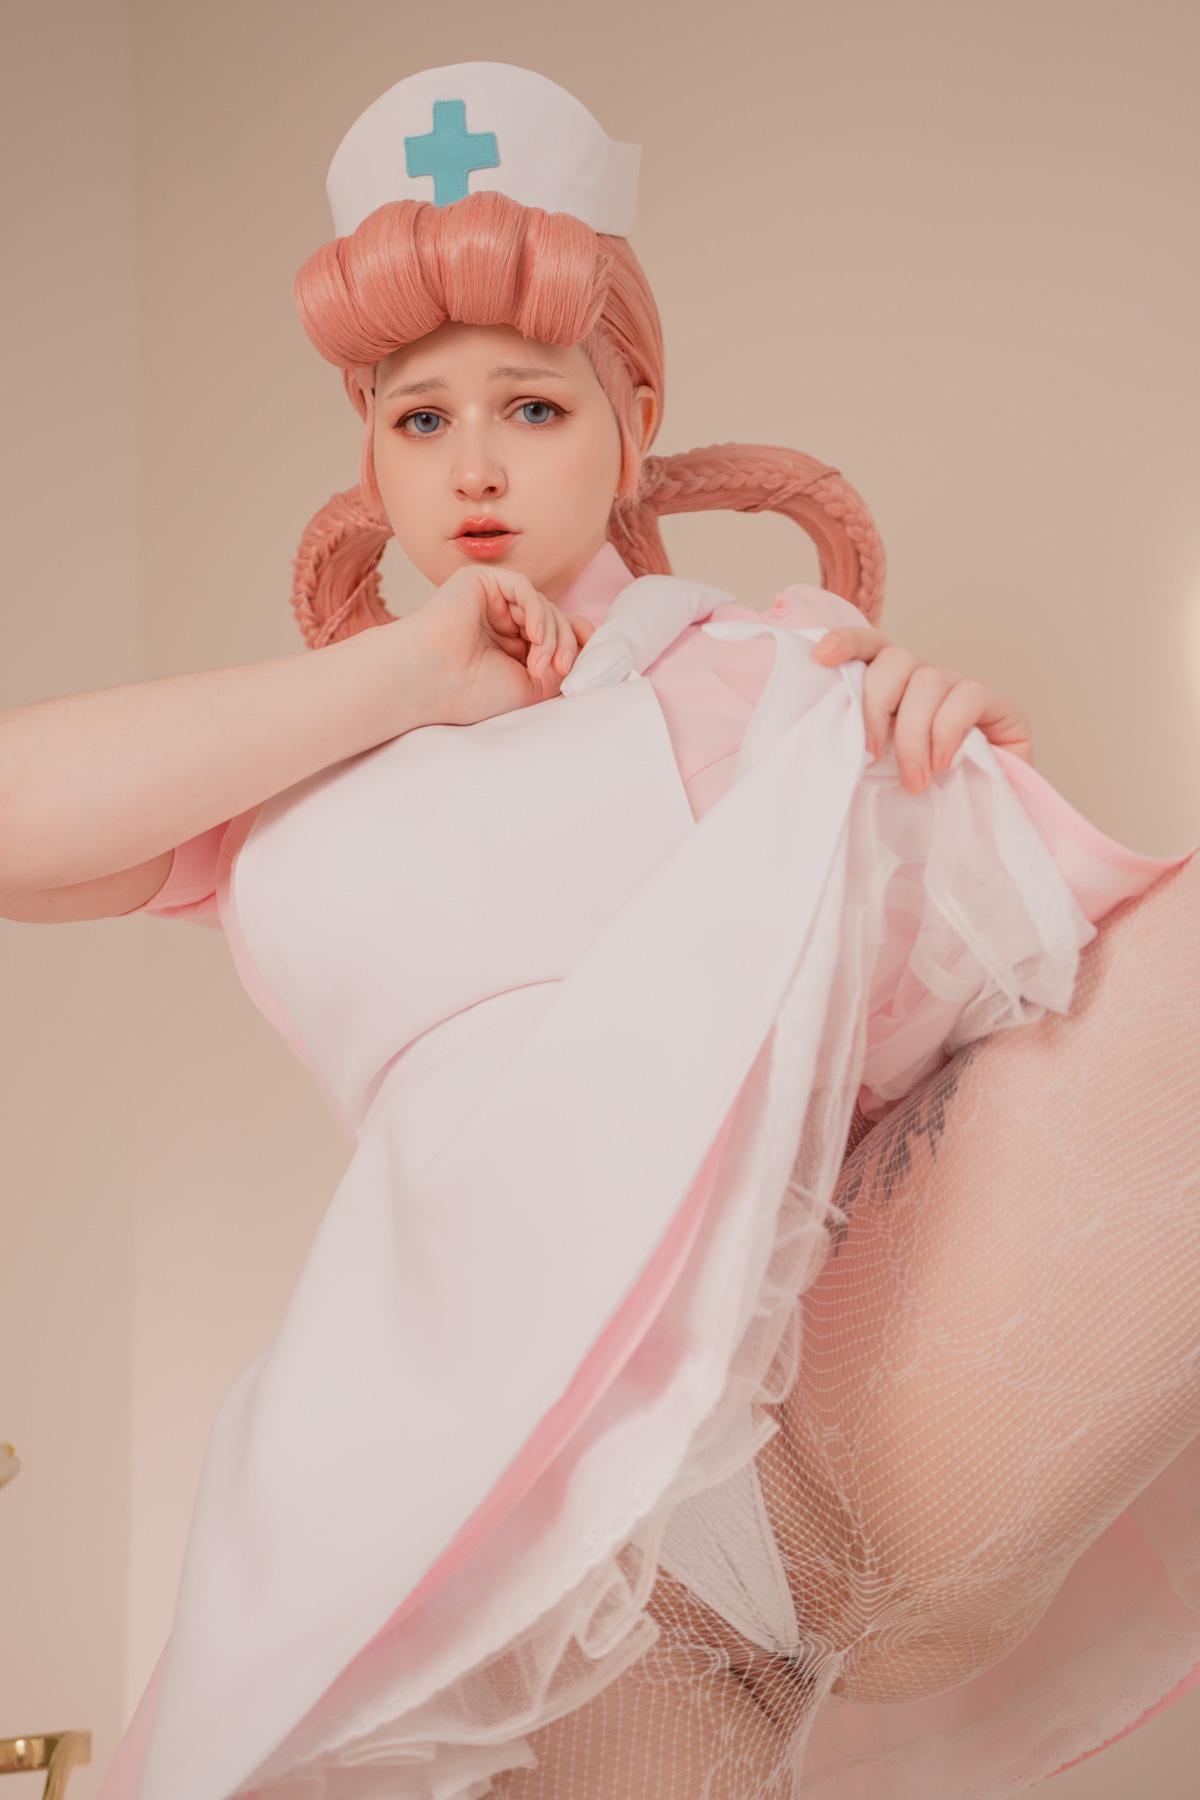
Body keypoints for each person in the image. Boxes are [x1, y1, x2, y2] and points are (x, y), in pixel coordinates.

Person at [6, 60, 1198, 1800]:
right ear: (367, 448)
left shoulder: (772, 671)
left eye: (534, 406)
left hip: (838, 1431)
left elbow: (965, 1063)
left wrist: (956, 778)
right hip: (538, 1574)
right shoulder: (290, 782)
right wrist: (404, 678)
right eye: (420, 420)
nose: (477, 465)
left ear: (634, 420)